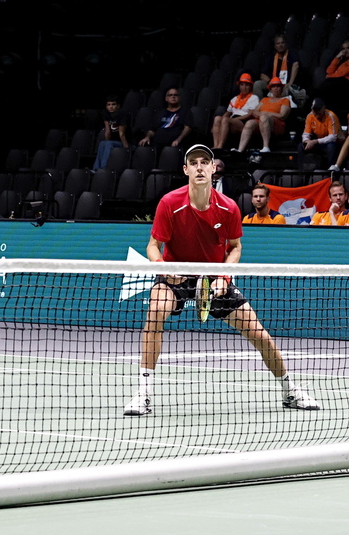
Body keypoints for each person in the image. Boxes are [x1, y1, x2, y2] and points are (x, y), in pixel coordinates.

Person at [123, 144, 319, 416]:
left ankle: (290, 390)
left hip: (214, 277)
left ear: (214, 168)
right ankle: (142, 394)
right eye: (194, 163)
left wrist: (223, 277)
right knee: (155, 312)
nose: (200, 167)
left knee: (259, 334)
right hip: (176, 276)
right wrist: (162, 267)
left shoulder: (228, 208)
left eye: (205, 162)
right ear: (186, 170)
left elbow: (235, 247)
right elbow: (153, 245)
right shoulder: (170, 203)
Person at [236, 77, 291, 153]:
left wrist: (267, 114)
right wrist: (262, 115)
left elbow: (282, 115)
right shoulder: (264, 99)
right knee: (249, 123)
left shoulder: (285, 100)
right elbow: (255, 112)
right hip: (262, 120)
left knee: (264, 118)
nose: (276, 88)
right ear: (270, 89)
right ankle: (240, 149)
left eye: (278, 86)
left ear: (281, 88)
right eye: (273, 87)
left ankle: (266, 147)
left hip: (277, 124)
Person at [211, 73, 259, 150]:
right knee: (217, 118)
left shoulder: (254, 97)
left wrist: (234, 119)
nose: (244, 87)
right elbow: (228, 112)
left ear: (250, 86)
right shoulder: (235, 98)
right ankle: (216, 145)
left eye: (247, 85)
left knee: (226, 119)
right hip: (232, 119)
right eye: (242, 85)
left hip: (243, 121)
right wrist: (220, 120)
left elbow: (250, 114)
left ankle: (220, 146)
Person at [297, 98, 342, 170]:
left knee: (331, 146)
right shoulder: (310, 116)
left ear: (323, 108)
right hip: (318, 143)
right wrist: (307, 141)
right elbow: (306, 133)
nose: (316, 112)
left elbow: (332, 137)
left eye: (318, 110)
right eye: (314, 110)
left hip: (332, 143)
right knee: (301, 146)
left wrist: (315, 141)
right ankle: (301, 172)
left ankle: (332, 171)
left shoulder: (331, 116)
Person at [253, 33, 300, 100]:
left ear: (285, 44)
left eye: (282, 43)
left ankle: (276, 106)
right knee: (257, 84)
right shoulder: (272, 57)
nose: (280, 45)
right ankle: (259, 106)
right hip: (274, 84)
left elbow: (296, 65)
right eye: (278, 44)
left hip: (286, 84)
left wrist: (290, 83)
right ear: (275, 46)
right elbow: (263, 75)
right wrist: (271, 82)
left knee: (286, 90)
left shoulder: (292, 54)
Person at [92, 95, 129, 171]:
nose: (111, 107)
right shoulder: (106, 114)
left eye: (113, 104)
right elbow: (107, 131)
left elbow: (122, 134)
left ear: (118, 106)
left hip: (125, 142)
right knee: (102, 143)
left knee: (108, 144)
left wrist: (127, 150)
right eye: (108, 105)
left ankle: (103, 169)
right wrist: (106, 142)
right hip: (114, 141)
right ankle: (96, 169)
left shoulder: (122, 114)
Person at [314, 39, 349, 118]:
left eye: (348, 48)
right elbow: (329, 71)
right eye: (343, 49)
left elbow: (342, 74)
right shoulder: (342, 61)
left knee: (328, 83)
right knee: (328, 85)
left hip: (346, 83)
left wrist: (330, 76)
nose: (345, 51)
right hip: (337, 83)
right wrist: (337, 57)